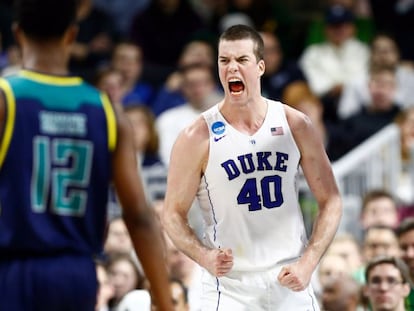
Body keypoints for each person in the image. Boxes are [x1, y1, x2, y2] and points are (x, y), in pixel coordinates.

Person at [0, 1, 173, 310]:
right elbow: (139, 216)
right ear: (71, 35)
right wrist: (164, 301)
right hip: (78, 274)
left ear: (17, 33)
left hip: (14, 270)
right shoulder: (107, 111)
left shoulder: (6, 98)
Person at [162, 24, 342, 310]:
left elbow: (331, 199)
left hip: (288, 276)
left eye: (241, 60)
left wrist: (309, 262)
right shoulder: (196, 136)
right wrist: (203, 255)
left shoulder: (294, 124)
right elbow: (171, 213)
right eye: (224, 61)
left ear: (260, 66)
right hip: (230, 284)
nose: (232, 68)